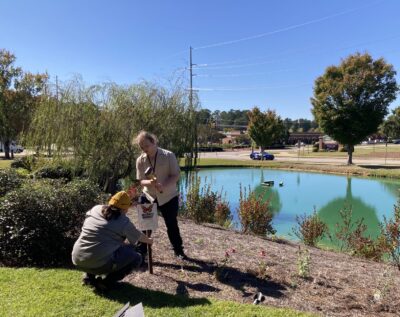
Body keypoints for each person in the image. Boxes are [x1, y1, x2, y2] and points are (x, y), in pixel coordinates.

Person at [71, 190, 153, 291]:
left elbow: (113, 211)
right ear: (125, 208)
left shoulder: (96, 209)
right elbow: (139, 236)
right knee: (136, 257)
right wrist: (149, 241)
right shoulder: (123, 222)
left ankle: (88, 278)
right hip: (98, 265)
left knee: (97, 244)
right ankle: (107, 283)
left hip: (77, 260)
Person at [135, 131, 186, 259]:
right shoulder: (140, 160)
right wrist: (151, 182)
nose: (144, 149)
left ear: (154, 142)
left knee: (171, 224)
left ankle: (178, 251)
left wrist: (163, 185)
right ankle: (142, 252)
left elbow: (175, 175)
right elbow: (141, 180)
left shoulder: (169, 155)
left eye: (146, 145)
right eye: (142, 147)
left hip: (168, 196)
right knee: (146, 225)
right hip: (148, 196)